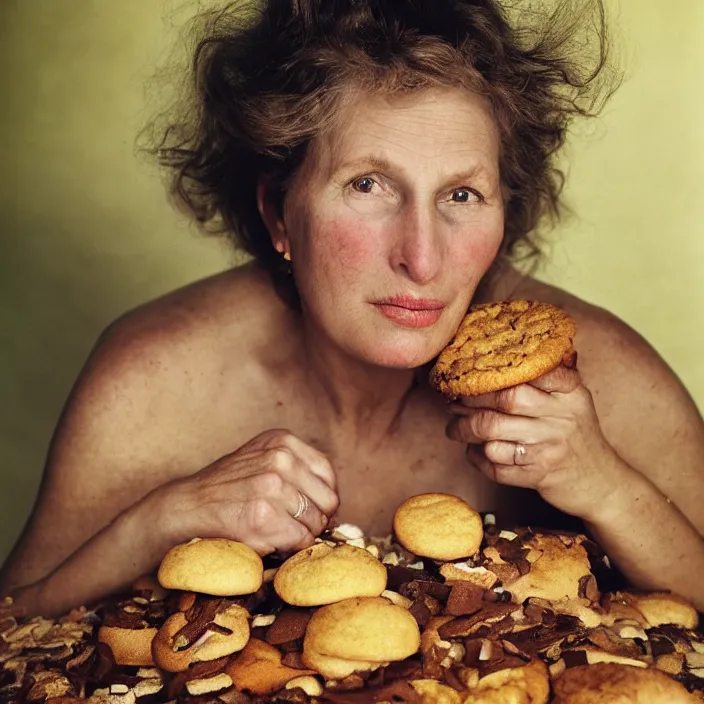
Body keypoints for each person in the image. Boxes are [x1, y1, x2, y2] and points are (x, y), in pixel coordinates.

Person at [1, 0, 703, 618]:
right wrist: (159, 521)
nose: (422, 259)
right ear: (279, 209)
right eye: (368, 185)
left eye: (462, 196)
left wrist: (607, 487)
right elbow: (13, 627)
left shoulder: (602, 379)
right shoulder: (153, 378)